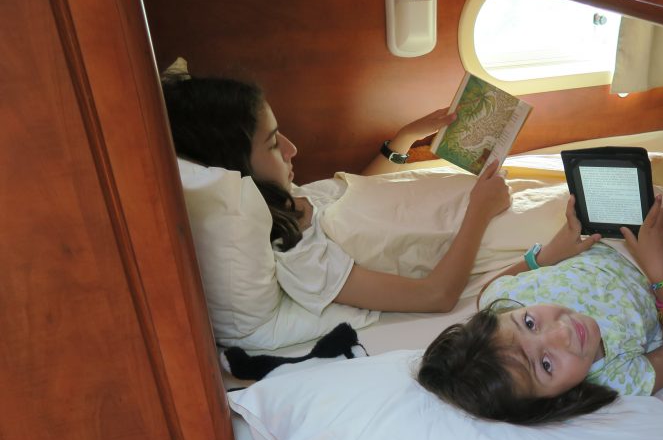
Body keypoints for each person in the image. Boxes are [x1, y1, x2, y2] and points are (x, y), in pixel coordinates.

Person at [161, 71, 511, 314]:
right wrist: (480, 209)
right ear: (234, 165)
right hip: (481, 228)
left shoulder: (284, 196)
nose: (292, 149)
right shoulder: (299, 255)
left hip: (475, 200)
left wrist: (404, 139)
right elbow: (436, 296)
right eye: (273, 144)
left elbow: (351, 198)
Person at [417, 193, 663, 424]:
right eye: (546, 364)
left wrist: (547, 255)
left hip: (597, 237)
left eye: (529, 323)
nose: (562, 334)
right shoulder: (614, 379)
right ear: (556, 401)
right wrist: (662, 272)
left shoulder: (504, 301)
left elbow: (488, 291)